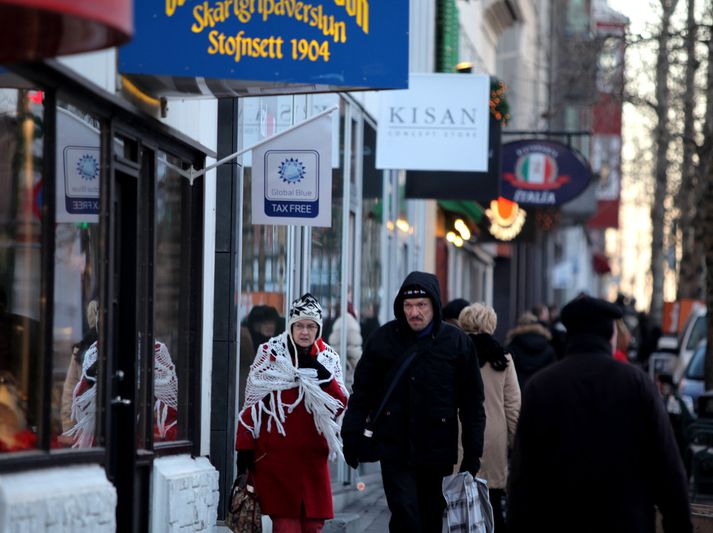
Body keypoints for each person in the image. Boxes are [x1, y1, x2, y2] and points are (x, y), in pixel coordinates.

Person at [507, 295, 692, 533]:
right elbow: (668, 468)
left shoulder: (541, 387)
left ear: (570, 334)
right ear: (611, 335)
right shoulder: (637, 384)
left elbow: (523, 476)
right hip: (626, 522)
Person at [342, 271, 485, 533]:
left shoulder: (456, 343)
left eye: (421, 305)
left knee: (430, 518)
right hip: (394, 448)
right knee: (405, 516)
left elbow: (472, 404)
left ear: (434, 306)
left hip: (437, 450)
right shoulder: (384, 340)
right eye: (408, 305)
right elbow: (362, 393)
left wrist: (472, 456)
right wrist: (351, 435)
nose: (414, 312)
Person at [235, 293, 348, 533]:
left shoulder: (327, 359)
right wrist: (243, 450)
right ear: (290, 326)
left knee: (313, 526)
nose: (304, 332)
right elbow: (251, 405)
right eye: (299, 326)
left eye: (310, 326)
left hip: (314, 462)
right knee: (285, 526)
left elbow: (339, 404)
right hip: (277, 461)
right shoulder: (270, 354)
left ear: (318, 329)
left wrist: (322, 376)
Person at [458, 303, 520, 532]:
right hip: (494, 437)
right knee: (492, 499)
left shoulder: (454, 353)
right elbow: (513, 406)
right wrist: (516, 443)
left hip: (460, 433)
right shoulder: (503, 359)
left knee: (457, 496)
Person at [505, 311, 556, 389]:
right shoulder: (547, 347)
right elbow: (552, 371)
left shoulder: (512, 345)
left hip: (519, 388)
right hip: (542, 388)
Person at [328, 302, 362, 391]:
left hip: (337, 371)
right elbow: (354, 351)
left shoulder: (338, 322)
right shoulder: (350, 322)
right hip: (348, 372)